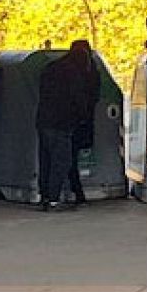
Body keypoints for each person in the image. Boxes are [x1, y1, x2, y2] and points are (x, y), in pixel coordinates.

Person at [36, 40, 101, 212]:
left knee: (46, 160)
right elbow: (79, 99)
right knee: (62, 161)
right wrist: (83, 117)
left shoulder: (51, 67)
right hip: (63, 123)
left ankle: (44, 196)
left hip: (43, 120)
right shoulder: (75, 73)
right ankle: (53, 199)